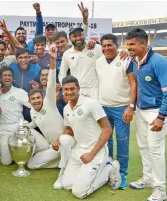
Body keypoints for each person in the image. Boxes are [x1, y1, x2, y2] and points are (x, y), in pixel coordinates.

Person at [57, 76, 122, 198]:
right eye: (66, 89)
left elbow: (107, 130)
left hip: (95, 152)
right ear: (62, 90)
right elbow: (70, 128)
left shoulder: (91, 104)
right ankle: (93, 172)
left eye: (72, 89)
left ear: (78, 89)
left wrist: (92, 154)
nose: (69, 92)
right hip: (78, 151)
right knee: (67, 185)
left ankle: (109, 168)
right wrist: (58, 140)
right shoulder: (66, 109)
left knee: (79, 192)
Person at [126, 28, 167, 201]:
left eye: (132, 44)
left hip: (156, 112)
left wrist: (161, 117)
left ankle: (161, 190)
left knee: (155, 150)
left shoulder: (159, 61)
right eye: (127, 44)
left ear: (143, 43)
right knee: (143, 146)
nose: (129, 48)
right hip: (141, 111)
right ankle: (148, 178)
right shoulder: (134, 60)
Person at [95, 33, 137, 189]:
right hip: (103, 107)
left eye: (110, 45)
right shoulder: (98, 62)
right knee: (107, 142)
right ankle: (110, 170)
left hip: (121, 108)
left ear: (117, 46)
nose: (106, 48)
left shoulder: (126, 59)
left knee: (122, 141)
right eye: (104, 45)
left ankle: (123, 174)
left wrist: (130, 107)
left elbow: (133, 85)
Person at [27, 46, 75, 170]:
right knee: (31, 165)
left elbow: (51, 83)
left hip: (64, 142)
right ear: (29, 102)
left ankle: (67, 158)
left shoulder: (49, 102)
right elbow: (34, 122)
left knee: (64, 143)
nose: (37, 101)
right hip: (51, 147)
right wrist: (20, 128)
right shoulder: (32, 111)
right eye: (33, 99)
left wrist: (52, 60)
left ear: (42, 98)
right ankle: (63, 161)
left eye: (38, 98)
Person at [0, 67, 32, 165]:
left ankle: (18, 150)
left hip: (18, 127)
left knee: (23, 158)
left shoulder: (19, 92)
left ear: (12, 78)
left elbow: (33, 105)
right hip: (3, 128)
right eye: (5, 75)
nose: (7, 77)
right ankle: (11, 151)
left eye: (10, 75)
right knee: (5, 162)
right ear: (0, 78)